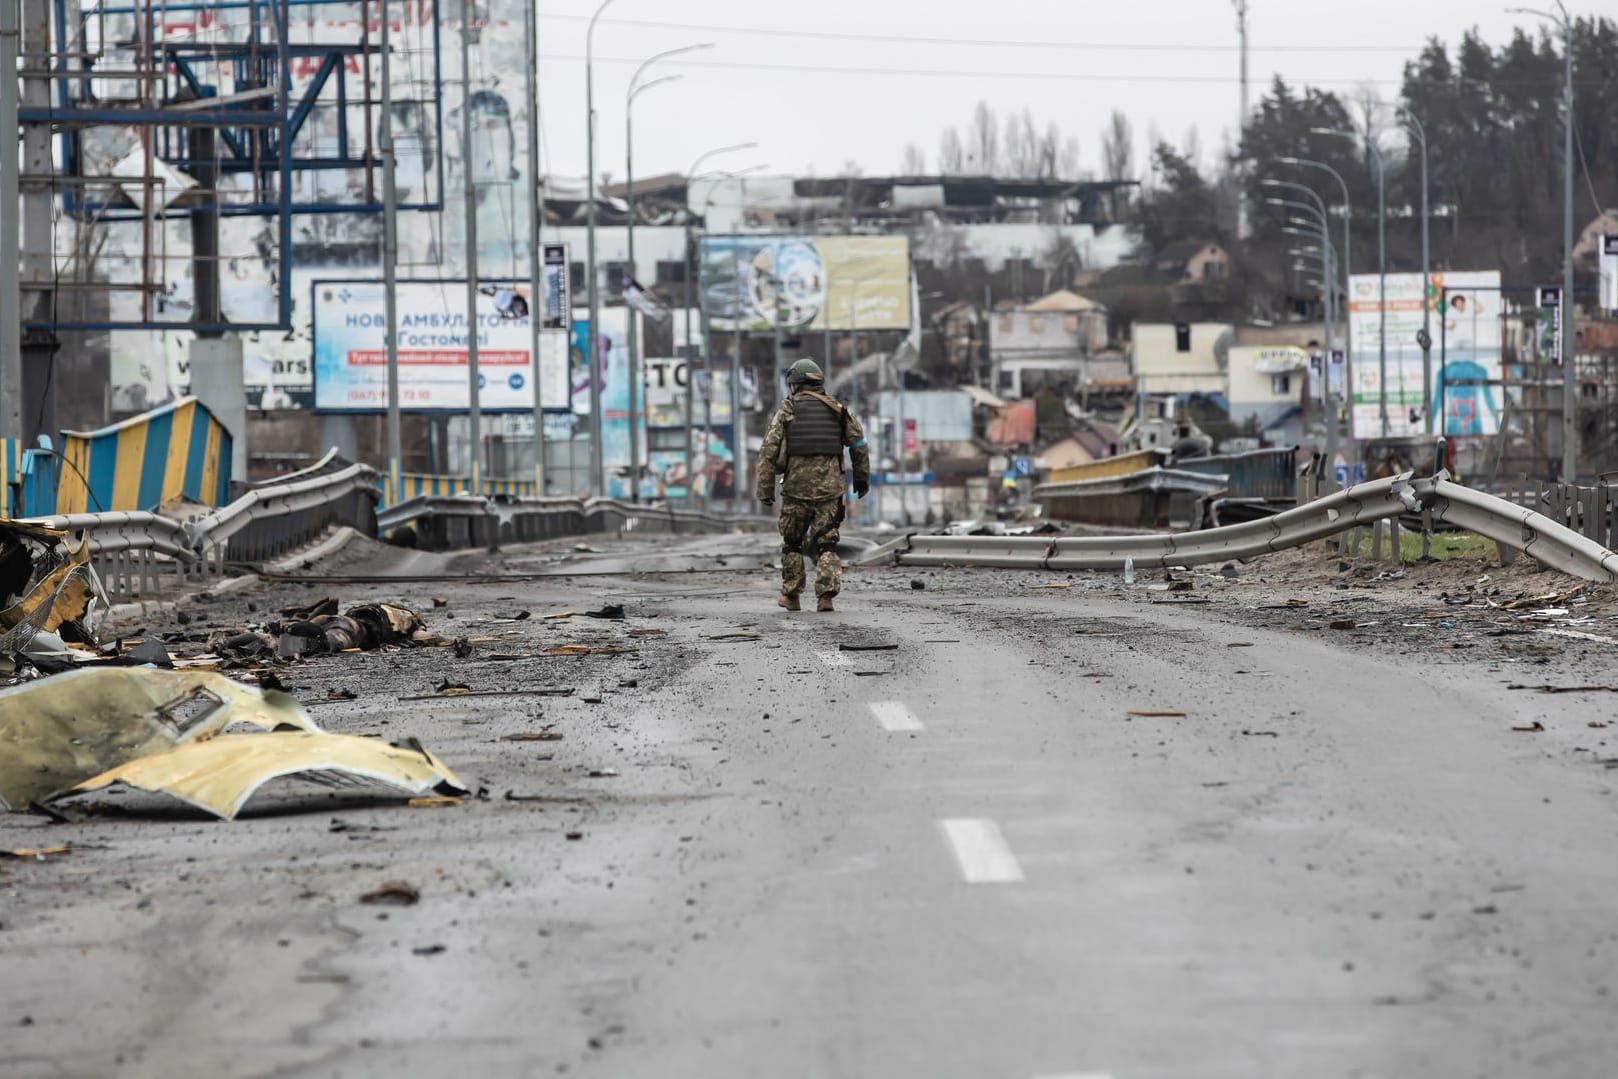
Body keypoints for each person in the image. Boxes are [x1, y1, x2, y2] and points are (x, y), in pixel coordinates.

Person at [756, 358, 870, 612]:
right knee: (827, 543)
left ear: (795, 384)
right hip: (830, 490)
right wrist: (862, 480)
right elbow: (859, 445)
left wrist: (764, 488)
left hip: (796, 490)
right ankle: (825, 597)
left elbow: (769, 450)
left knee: (793, 542)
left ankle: (791, 595)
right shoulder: (838, 409)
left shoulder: (788, 409)